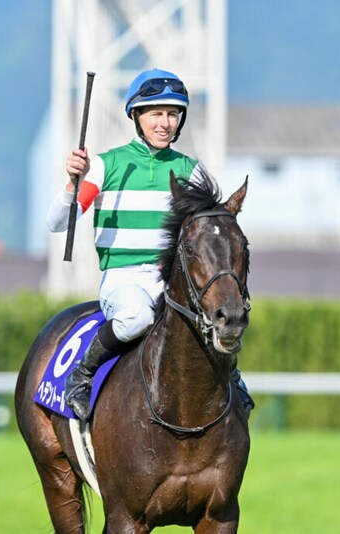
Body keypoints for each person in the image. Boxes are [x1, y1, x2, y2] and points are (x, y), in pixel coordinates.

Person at [47, 68, 254, 422]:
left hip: (171, 279)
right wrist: (71, 182)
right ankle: (81, 374)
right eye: (155, 114)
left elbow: (212, 233)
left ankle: (231, 376)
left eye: (172, 115)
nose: (164, 123)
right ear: (136, 117)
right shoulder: (105, 165)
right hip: (123, 278)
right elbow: (56, 224)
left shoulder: (192, 171)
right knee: (137, 317)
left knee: (216, 312)